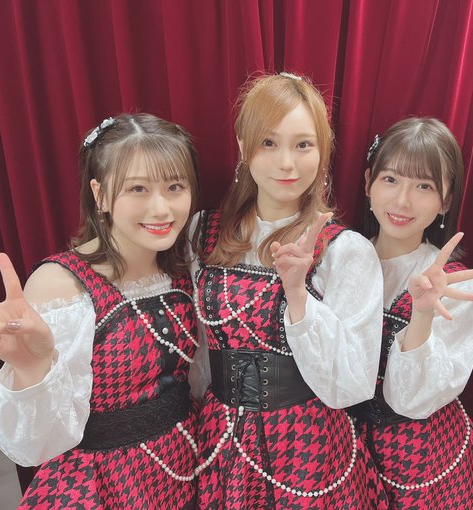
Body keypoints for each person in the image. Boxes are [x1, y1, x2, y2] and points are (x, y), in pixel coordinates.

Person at [191, 72, 388, 509]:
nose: (287, 163)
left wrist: (297, 294)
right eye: (269, 143)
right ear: (243, 146)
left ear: (323, 151)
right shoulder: (202, 232)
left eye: (303, 145)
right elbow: (198, 353)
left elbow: (353, 384)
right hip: (219, 440)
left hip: (308, 446)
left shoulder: (346, 250)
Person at [0, 113, 201, 508]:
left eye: (174, 186)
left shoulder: (183, 265)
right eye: (138, 188)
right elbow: (34, 447)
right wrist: (32, 370)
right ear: (100, 195)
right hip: (104, 483)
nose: (161, 208)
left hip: (188, 465)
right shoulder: (60, 286)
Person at [350, 117, 473, 509]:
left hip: (422, 461)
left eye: (424, 186)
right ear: (368, 183)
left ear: (446, 201)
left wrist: (420, 314)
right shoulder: (334, 261)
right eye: (390, 179)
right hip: (338, 451)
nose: (402, 201)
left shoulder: (458, 286)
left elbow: (415, 400)